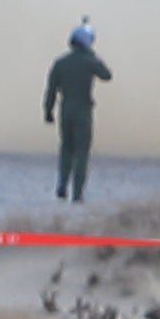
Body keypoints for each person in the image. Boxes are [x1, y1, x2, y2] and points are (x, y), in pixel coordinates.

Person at [41, 24, 108, 204]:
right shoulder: (89, 61)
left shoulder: (60, 63)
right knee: (82, 152)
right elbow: (107, 75)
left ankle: (62, 184)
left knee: (66, 148)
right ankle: (77, 193)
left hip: (65, 110)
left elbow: (51, 90)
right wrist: (93, 55)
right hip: (83, 111)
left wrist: (48, 111)